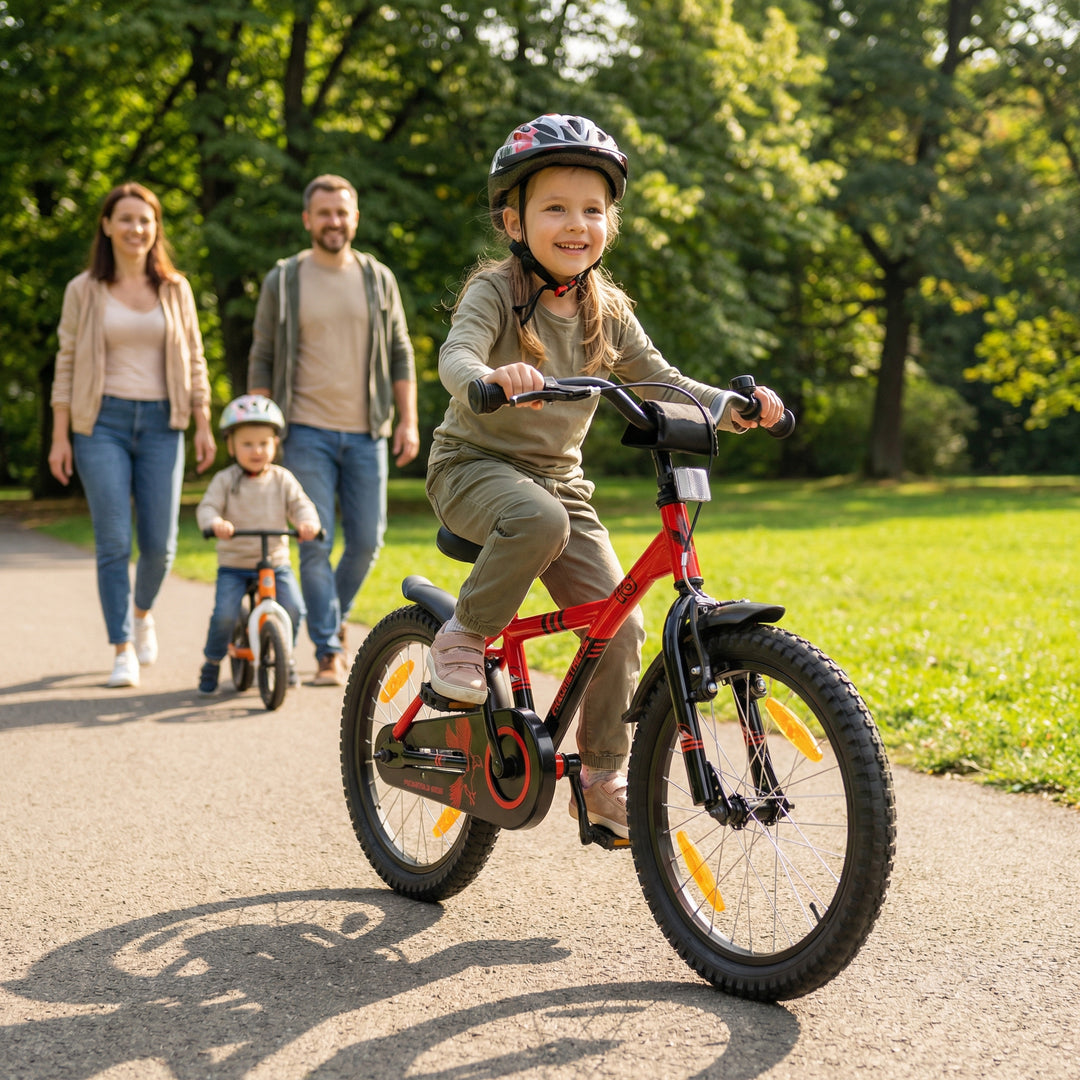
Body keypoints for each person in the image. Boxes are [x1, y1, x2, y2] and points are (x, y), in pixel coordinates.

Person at [425, 114, 787, 839]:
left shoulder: (606, 309)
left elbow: (662, 382)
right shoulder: (494, 292)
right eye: (554, 207)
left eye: (592, 210)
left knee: (623, 624)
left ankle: (599, 779)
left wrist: (734, 406)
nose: (575, 224)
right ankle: (460, 640)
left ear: (610, 225)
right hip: (472, 466)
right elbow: (454, 355)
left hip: (560, 482)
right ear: (512, 219)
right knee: (538, 520)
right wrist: (490, 378)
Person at [247, 174, 420, 687]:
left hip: (366, 430)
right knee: (314, 539)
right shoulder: (284, 279)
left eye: (342, 212)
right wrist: (264, 423)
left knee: (368, 540)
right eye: (323, 213)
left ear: (355, 217)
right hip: (304, 431)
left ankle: (327, 620)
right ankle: (328, 650)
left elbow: (400, 351)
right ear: (307, 219)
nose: (333, 221)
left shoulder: (376, 277)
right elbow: (261, 354)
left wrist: (407, 420)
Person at [48, 181, 215, 689]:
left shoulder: (175, 288)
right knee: (114, 541)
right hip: (101, 425)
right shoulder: (84, 290)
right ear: (106, 225)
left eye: (145, 220)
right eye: (125, 219)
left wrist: (202, 418)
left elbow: (194, 356)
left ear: (155, 227)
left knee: (161, 546)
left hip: (164, 424)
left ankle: (142, 612)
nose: (135, 229)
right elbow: (67, 361)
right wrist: (60, 436)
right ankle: (122, 647)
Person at [195, 395, 321, 696]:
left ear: (275, 444)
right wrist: (215, 524)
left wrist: (308, 524)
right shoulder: (226, 480)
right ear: (232, 446)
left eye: (263, 443)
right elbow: (207, 508)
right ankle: (212, 661)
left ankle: (284, 657)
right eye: (247, 444)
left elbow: (302, 505)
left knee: (293, 608)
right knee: (224, 614)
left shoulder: (282, 480)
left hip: (275, 563)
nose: (256, 451)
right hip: (234, 566)